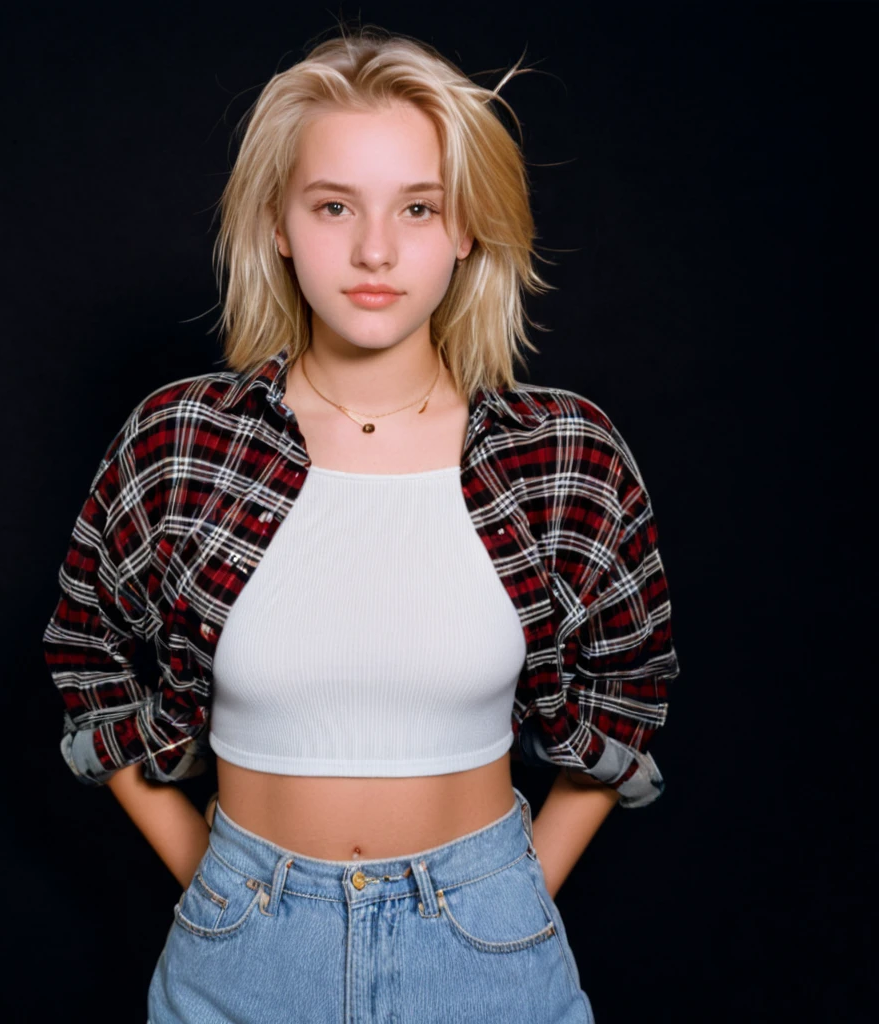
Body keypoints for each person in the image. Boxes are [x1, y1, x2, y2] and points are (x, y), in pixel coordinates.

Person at [41, 24, 679, 1024]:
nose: (375, 249)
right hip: (239, 953)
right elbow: (91, 659)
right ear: (280, 225)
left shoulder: (565, 455)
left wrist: (507, 895)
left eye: (416, 207)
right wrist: (218, 885)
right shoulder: (179, 443)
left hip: (486, 954)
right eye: (334, 205)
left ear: (466, 228)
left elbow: (625, 687)